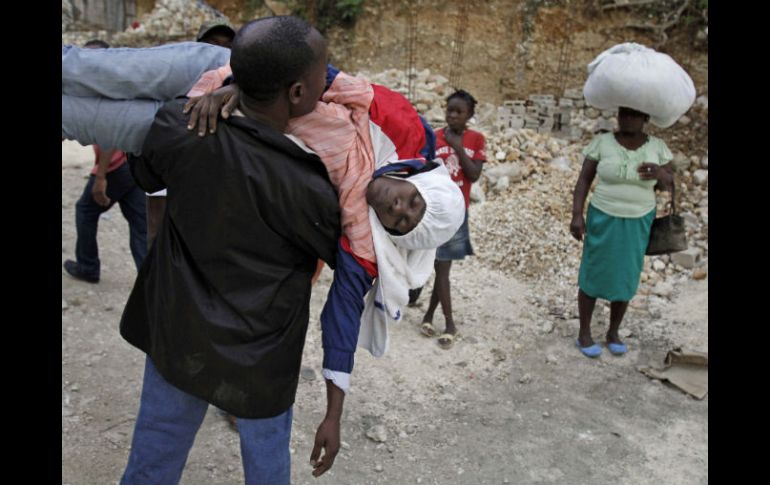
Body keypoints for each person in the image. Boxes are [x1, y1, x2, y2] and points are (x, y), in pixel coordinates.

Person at [570, 106, 673, 358]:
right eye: (623, 114)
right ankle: (584, 333)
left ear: (646, 118)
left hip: (639, 220)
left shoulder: (657, 147)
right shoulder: (602, 143)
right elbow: (584, 180)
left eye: (634, 115)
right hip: (603, 215)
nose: (627, 119)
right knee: (593, 270)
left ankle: (613, 332)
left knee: (626, 274)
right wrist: (576, 214)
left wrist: (660, 173)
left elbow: (670, 182)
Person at [145, 18, 236, 249]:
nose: (220, 51)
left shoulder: (240, 86)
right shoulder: (175, 78)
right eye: (212, 43)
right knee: (159, 232)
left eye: (228, 45)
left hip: (216, 177)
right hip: (173, 168)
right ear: (197, 46)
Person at [63, 39, 147, 284]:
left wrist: (100, 177)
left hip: (115, 167)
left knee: (85, 210)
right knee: (140, 226)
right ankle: (151, 283)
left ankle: (88, 266)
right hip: (132, 165)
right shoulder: (115, 87)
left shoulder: (105, 92)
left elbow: (111, 137)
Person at [419, 90, 486, 349]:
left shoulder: (476, 139)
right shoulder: (434, 137)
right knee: (441, 266)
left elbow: (474, 174)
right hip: (435, 211)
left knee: (442, 267)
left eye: (459, 112)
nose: (453, 116)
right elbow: (424, 169)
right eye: (450, 110)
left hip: (458, 213)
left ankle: (432, 317)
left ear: (470, 115)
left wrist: (457, 146)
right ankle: (448, 323)